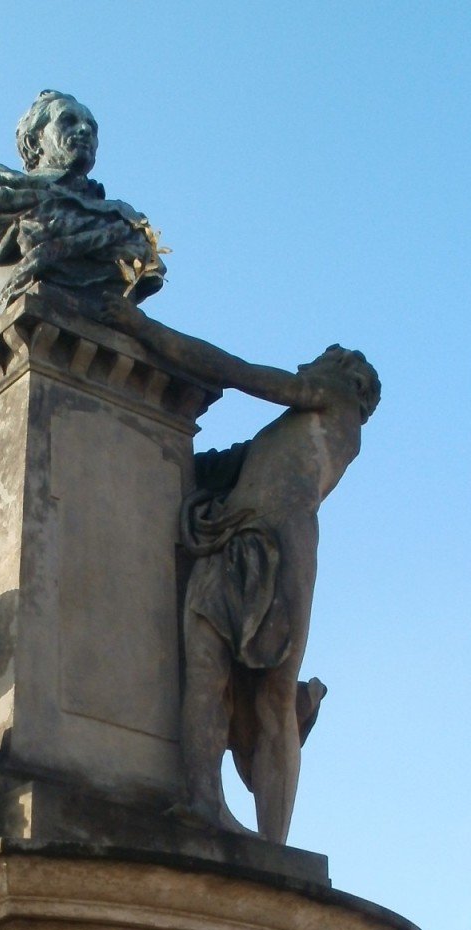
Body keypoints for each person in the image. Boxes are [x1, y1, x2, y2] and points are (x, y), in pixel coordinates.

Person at [102, 298, 380, 844]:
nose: (308, 365)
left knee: (272, 697)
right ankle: (202, 800)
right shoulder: (285, 436)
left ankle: (274, 844)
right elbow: (218, 465)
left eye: (324, 358)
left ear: (352, 382)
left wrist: (141, 327)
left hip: (274, 548)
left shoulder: (336, 406)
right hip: (233, 538)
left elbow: (237, 373)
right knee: (208, 671)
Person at [0, 90, 165, 323]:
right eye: (68, 121)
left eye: (92, 126)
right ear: (33, 142)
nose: (85, 130)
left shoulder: (126, 220)